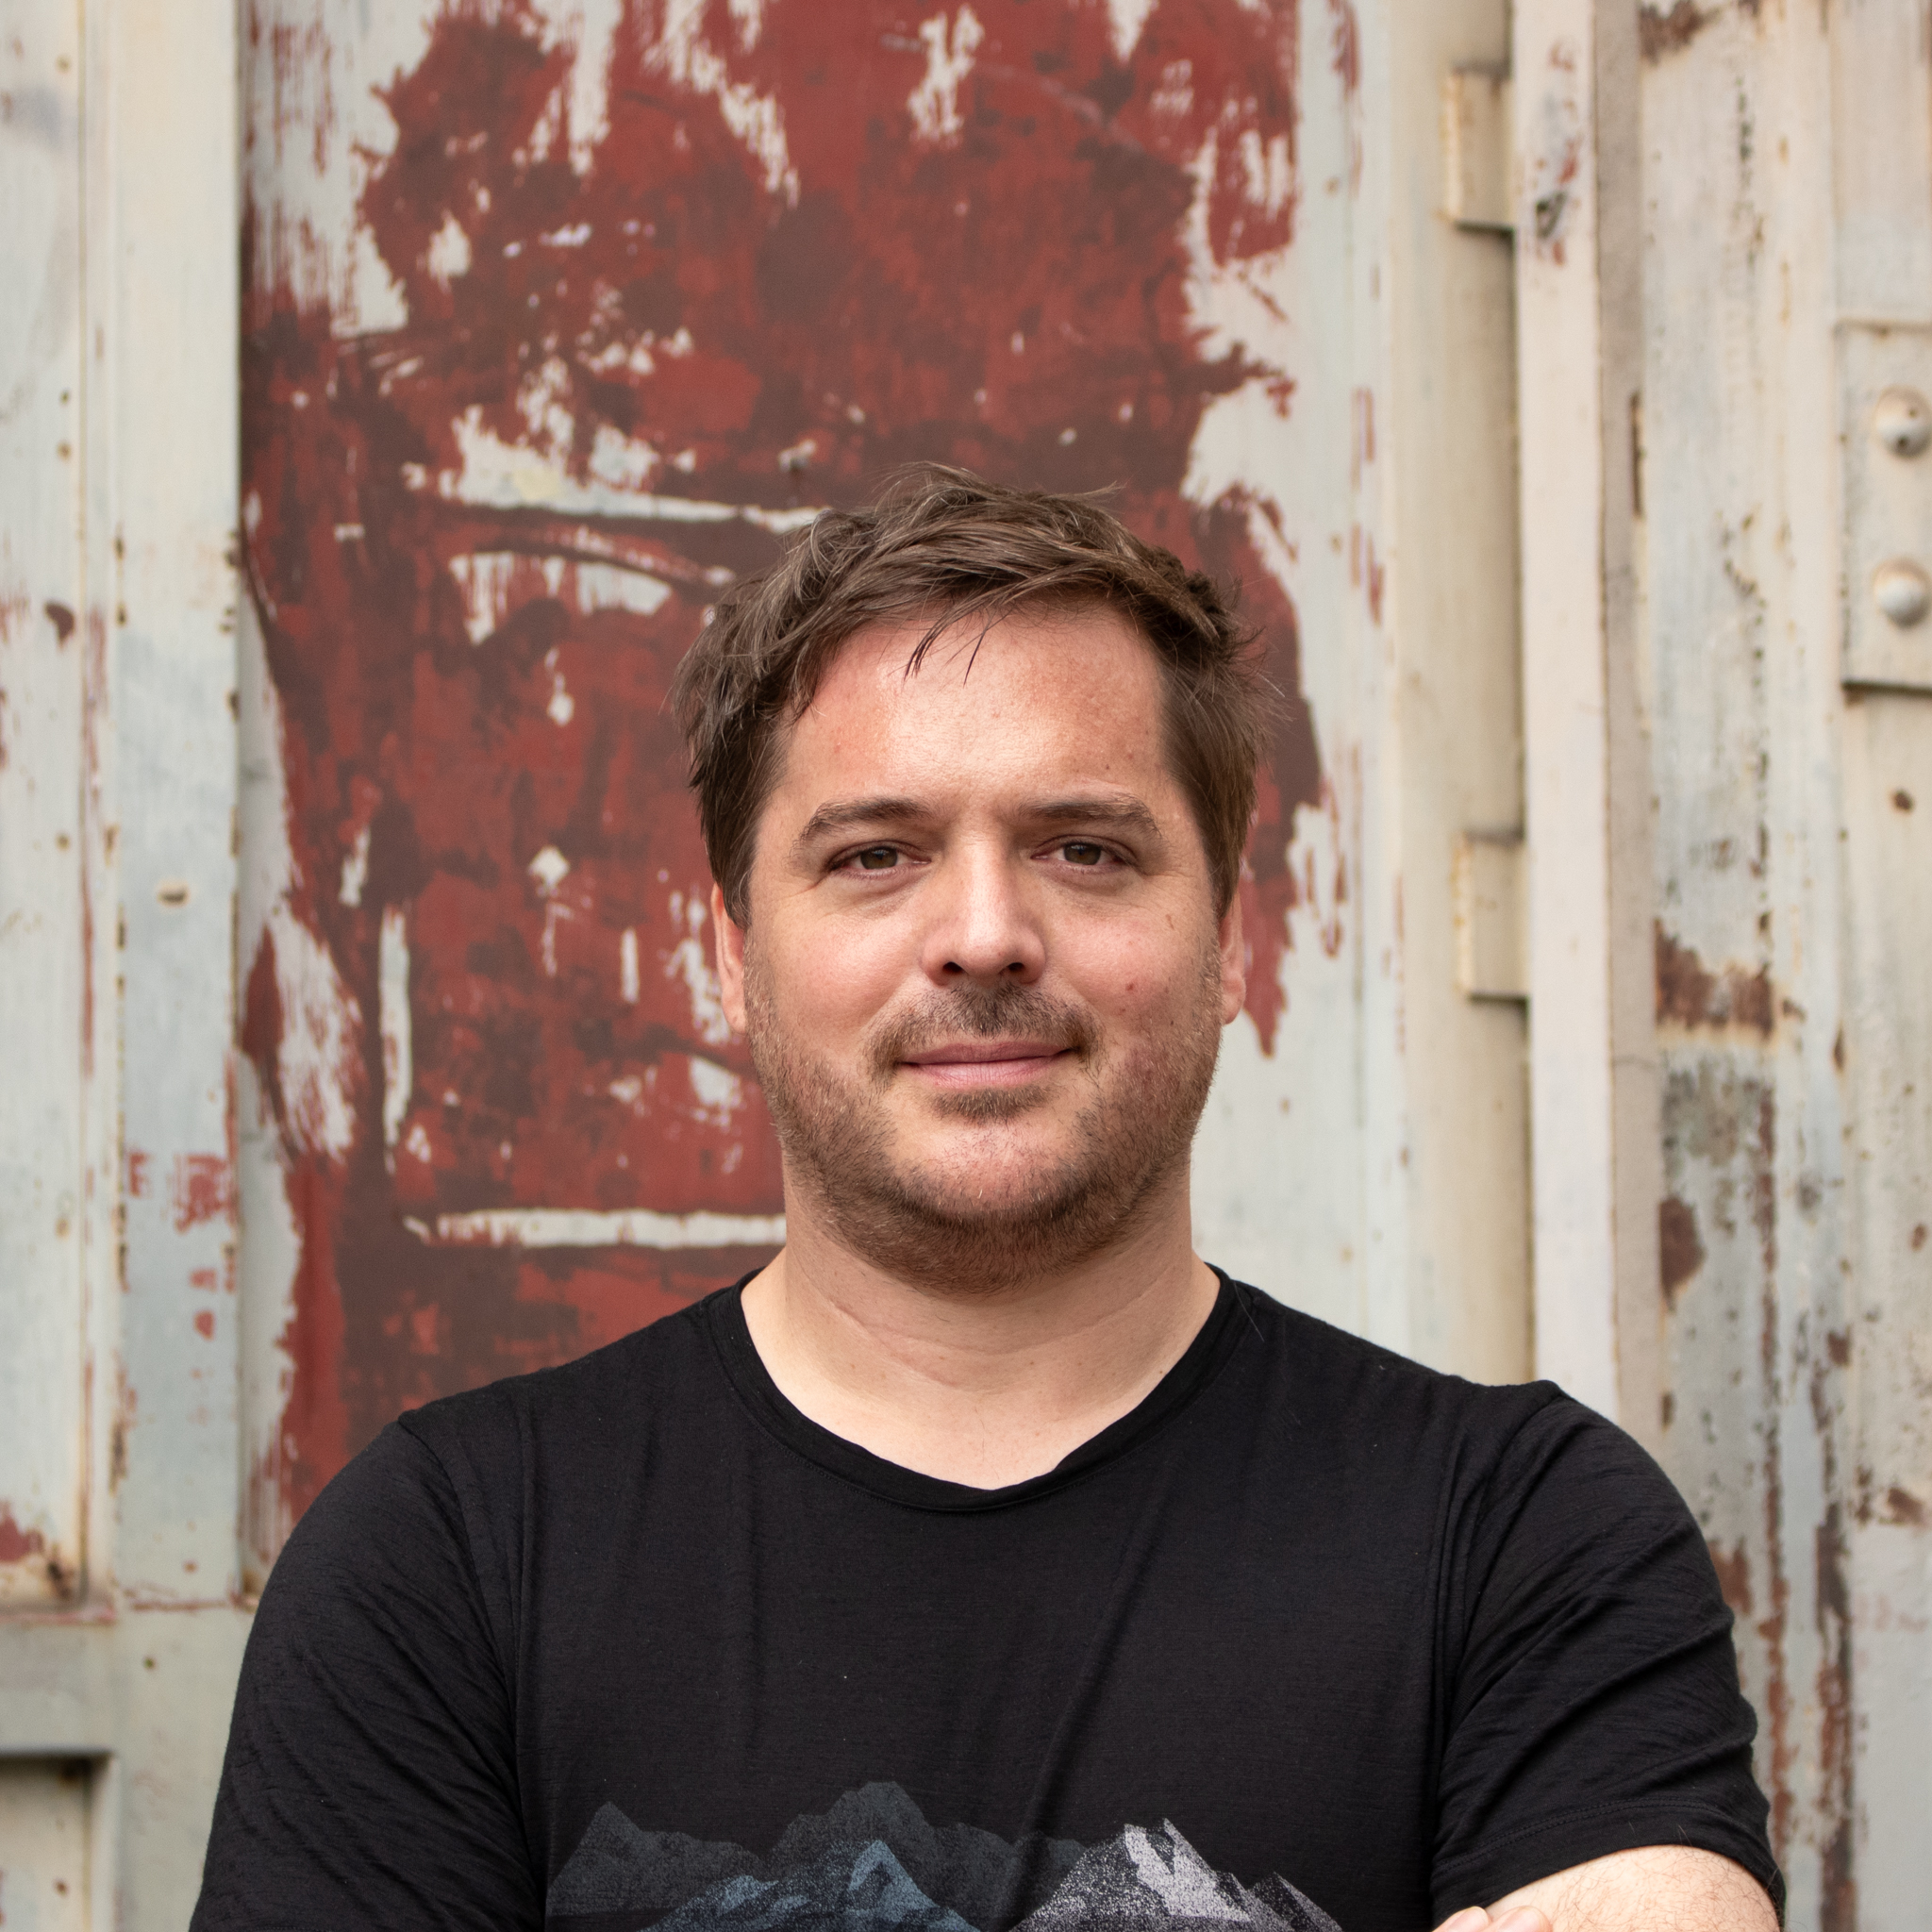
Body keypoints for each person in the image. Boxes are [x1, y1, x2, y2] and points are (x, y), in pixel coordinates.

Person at [192, 469, 1780, 1932]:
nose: (983, 933)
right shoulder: (448, 1563)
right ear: (732, 956)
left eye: (1084, 849)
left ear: (1231, 941)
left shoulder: (1524, 1544)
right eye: (875, 856)